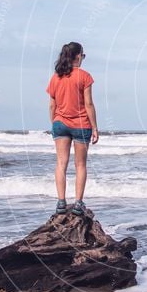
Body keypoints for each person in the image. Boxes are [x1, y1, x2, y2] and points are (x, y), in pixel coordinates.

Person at [46, 41, 99, 215]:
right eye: (82, 55)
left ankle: (61, 202)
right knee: (80, 165)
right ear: (78, 56)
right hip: (81, 124)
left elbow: (52, 105)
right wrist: (95, 128)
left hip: (60, 123)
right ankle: (78, 204)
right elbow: (89, 104)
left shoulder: (56, 77)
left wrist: (54, 122)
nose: (83, 58)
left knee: (61, 163)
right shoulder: (84, 76)